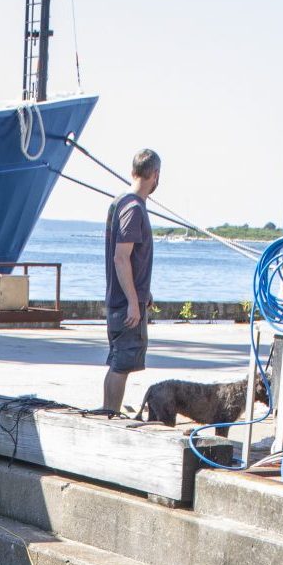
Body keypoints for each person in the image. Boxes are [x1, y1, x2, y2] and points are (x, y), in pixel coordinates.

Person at [101, 149, 159, 415]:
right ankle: (109, 414)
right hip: (125, 305)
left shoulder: (121, 202)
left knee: (118, 361)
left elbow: (131, 260)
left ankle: (108, 412)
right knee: (121, 363)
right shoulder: (134, 207)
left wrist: (144, 292)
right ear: (155, 175)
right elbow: (121, 258)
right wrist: (134, 303)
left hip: (125, 299)